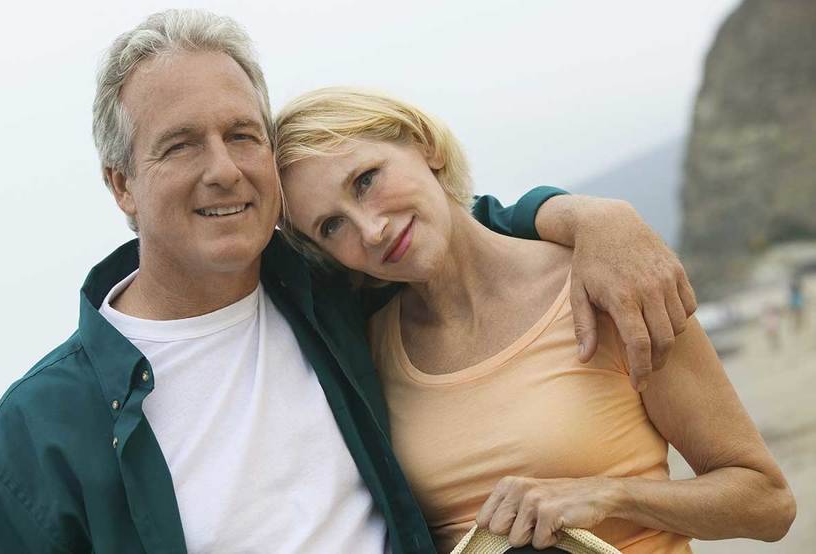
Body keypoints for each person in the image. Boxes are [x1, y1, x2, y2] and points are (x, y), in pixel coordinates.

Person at [0, 10, 698, 554]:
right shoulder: (33, 439)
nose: (223, 168)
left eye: (242, 134)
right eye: (181, 146)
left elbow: (456, 227)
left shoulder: (335, 288)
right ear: (122, 184)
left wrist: (597, 218)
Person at [274, 87, 797, 553]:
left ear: (423, 145)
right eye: (332, 225)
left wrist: (608, 496)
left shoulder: (608, 284)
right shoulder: (368, 352)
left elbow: (767, 503)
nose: (371, 230)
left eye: (366, 180)